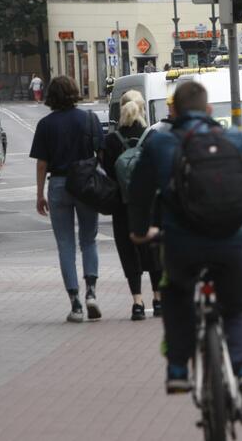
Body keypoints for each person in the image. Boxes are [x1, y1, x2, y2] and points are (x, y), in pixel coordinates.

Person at [127, 82, 242, 422]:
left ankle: (177, 369)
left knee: (175, 295)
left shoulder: (160, 142)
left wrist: (140, 231)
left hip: (182, 245)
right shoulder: (234, 138)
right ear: (207, 110)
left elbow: (140, 190)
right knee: (236, 309)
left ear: (173, 111)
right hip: (231, 245)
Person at [29, 76, 102, 323]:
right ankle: (91, 291)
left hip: (59, 184)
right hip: (86, 185)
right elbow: (100, 154)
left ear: (51, 96)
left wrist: (40, 194)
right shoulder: (89, 119)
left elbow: (42, 164)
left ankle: (75, 303)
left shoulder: (45, 125)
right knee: (89, 239)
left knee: (65, 244)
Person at [102, 90, 163, 320]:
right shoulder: (153, 138)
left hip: (122, 206)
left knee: (129, 253)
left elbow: (107, 173)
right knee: (154, 251)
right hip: (151, 206)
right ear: (142, 110)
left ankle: (137, 303)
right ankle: (158, 300)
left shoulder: (111, 141)